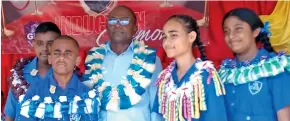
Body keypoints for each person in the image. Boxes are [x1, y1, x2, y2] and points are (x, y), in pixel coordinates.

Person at [83, 5, 163, 121]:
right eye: (113, 20)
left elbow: (157, 106)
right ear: (106, 26)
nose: (117, 24)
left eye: (125, 21)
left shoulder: (150, 59)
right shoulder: (93, 59)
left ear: (135, 28)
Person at [219, 8, 290, 121]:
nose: (231, 36)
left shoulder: (274, 68)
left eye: (238, 29)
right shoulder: (225, 74)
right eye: (226, 31)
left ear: (255, 32)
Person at [153, 14, 227, 121]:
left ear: (191, 37)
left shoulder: (208, 76)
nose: (167, 42)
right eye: (164, 36)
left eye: (173, 35)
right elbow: (159, 116)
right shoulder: (165, 78)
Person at [18, 35, 98, 121]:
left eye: (68, 53)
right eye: (57, 53)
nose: (62, 57)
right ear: (50, 59)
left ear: (77, 61)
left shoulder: (87, 94)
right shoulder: (35, 91)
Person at [4, 22, 61, 121]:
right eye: (40, 43)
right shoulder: (19, 74)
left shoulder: (69, 76)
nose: (44, 48)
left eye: (50, 44)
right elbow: (10, 116)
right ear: (33, 43)